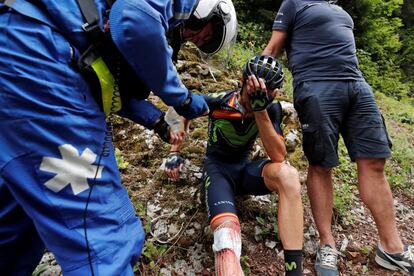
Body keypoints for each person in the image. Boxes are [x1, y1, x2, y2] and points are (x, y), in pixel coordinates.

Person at [0, 0, 237, 275]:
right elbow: (134, 20)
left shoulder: (99, 16)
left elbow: (109, 87)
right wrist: (181, 97)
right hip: (43, 68)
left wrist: (159, 122)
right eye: (205, 34)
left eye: (202, 42)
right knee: (107, 241)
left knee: (17, 222)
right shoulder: (181, 3)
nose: (196, 38)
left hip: (18, 53)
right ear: (211, 11)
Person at [262, 1, 414, 275]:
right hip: (316, 84)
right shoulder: (294, 3)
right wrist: (254, 84)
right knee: (321, 164)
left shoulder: (340, 10)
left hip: (356, 84)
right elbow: (273, 49)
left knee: (375, 161)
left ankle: (391, 248)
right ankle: (327, 243)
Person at [164, 55, 304, 276]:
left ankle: (294, 270)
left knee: (288, 175)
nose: (253, 99)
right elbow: (180, 109)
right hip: (217, 171)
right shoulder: (220, 101)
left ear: (274, 93)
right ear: (242, 81)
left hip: (245, 170)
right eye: (252, 92)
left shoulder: (271, 109)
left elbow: (278, 155)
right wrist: (174, 151)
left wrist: (260, 109)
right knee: (226, 240)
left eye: (264, 95)